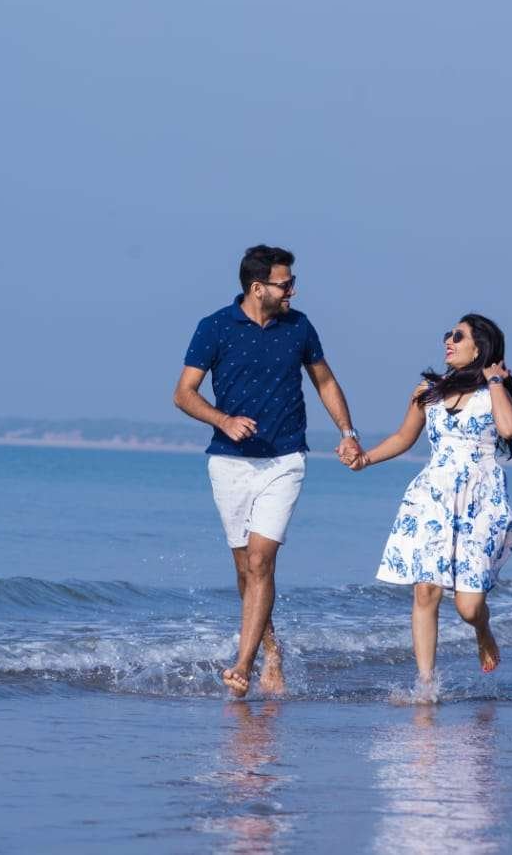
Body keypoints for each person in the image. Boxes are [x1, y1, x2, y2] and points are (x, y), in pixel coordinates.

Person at [174, 245, 363, 696]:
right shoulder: (214, 327)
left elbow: (325, 381)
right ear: (258, 288)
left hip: (285, 459)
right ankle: (271, 649)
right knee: (245, 569)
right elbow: (184, 393)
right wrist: (223, 420)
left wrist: (347, 432)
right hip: (229, 463)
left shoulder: (299, 326)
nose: (292, 291)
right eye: (285, 284)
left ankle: (243, 664)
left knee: (261, 560)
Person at [348, 313, 512, 689]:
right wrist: (365, 459)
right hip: (433, 498)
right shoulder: (428, 391)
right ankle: (425, 685)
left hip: (481, 502)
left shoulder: (493, 392)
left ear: (479, 348)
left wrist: (495, 381)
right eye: (448, 334)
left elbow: (508, 429)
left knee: (468, 607)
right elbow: (403, 438)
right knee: (426, 590)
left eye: (458, 336)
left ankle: (483, 630)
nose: (449, 341)